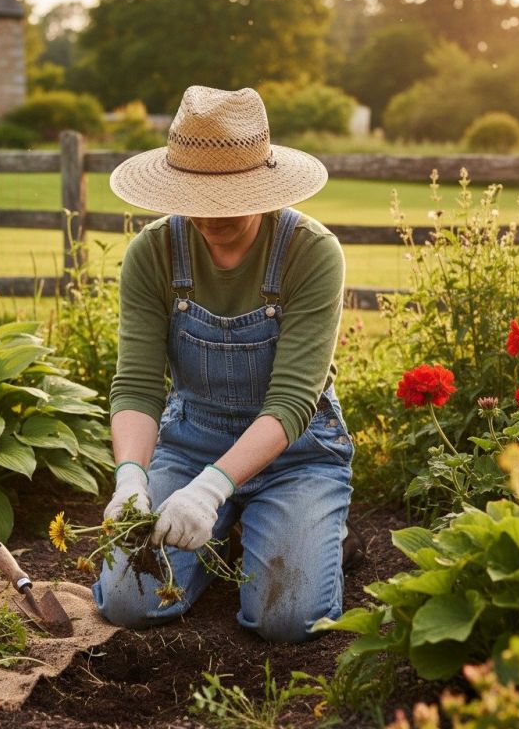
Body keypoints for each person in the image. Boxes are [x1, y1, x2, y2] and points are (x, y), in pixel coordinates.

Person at [93, 85, 354, 643]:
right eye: (194, 196)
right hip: (191, 444)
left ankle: (301, 525)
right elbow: (137, 386)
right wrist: (132, 476)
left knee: (286, 619)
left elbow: (292, 402)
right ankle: (219, 535)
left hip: (296, 457)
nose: (209, 216)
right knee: (127, 603)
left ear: (263, 184)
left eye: (227, 198)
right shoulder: (153, 253)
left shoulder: (311, 253)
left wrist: (212, 490)